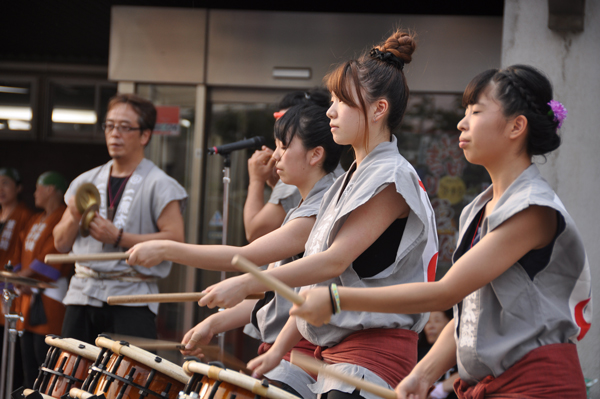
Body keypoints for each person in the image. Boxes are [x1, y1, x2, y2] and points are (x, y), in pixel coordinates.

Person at [290, 65, 591, 398]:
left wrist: (337, 298)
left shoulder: (532, 210)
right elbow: (470, 313)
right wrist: (423, 374)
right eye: (464, 111)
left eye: (476, 111)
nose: (462, 122)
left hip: (539, 387)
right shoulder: (481, 207)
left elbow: (445, 293)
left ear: (516, 126)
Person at [199, 29, 438, 399]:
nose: (330, 111)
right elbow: (319, 283)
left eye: (341, 101)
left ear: (379, 109)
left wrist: (247, 282)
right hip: (334, 355)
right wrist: (280, 348)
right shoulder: (351, 178)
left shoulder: (391, 176)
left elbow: (332, 262)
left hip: (371, 357)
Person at [128, 102, 342, 399]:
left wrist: (167, 249)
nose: (275, 155)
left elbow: (245, 257)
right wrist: (213, 323)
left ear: (316, 154)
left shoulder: (319, 210)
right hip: (287, 351)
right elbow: (270, 294)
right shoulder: (307, 205)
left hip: (301, 354)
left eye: (283, 146)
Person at [53, 93, 188, 345]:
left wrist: (118, 238)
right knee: (71, 375)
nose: (115, 133)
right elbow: (60, 244)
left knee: (129, 380)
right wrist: (73, 215)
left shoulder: (161, 184)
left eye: (125, 127)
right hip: (83, 291)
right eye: (110, 125)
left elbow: (174, 239)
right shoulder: (84, 182)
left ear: (145, 135)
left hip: (132, 294)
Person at [244, 88, 335, 242]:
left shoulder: (310, 208)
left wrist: (256, 180)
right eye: (277, 145)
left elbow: (254, 232)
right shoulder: (331, 176)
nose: (275, 155)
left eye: (284, 145)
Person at [15, 171, 71, 388]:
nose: (34, 193)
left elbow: (53, 255)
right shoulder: (35, 218)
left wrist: (22, 277)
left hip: (50, 298)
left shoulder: (63, 216)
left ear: (50, 190)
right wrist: (19, 275)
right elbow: (21, 250)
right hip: (28, 296)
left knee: (46, 360)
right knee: (27, 360)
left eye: (38, 188)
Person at [0, 167, 32, 389]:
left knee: (10, 351)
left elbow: (26, 255)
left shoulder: (25, 216)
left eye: (6, 183)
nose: (0, 188)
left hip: (10, 289)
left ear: (19, 188)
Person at [417, 310, 458, 399]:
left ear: (450, 323)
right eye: (427, 322)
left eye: (437, 321)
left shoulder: (459, 352)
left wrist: (442, 388)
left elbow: (470, 375)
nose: (430, 326)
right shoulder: (419, 354)